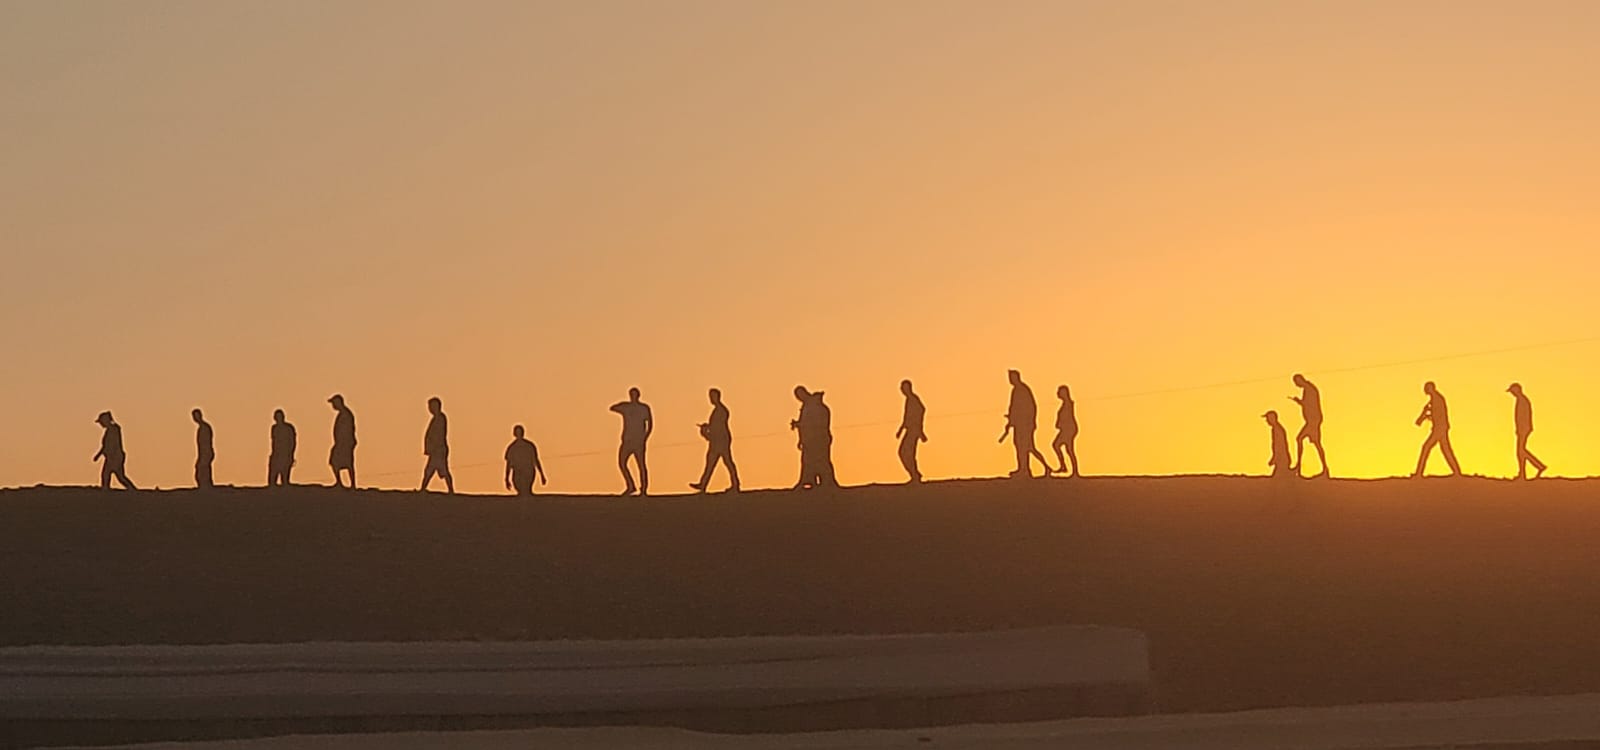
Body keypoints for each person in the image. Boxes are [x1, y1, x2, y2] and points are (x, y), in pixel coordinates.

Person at [999, 370, 1052, 478]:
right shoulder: (1015, 390)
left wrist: (1030, 422)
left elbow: (1030, 408)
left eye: (1011, 377)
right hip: (1018, 425)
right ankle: (1023, 469)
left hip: (1026, 425)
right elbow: (1013, 408)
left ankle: (1044, 467)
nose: (1010, 380)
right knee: (1019, 446)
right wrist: (1010, 421)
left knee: (1028, 447)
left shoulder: (1023, 390)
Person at [691, 388, 740, 493]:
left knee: (726, 462)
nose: (710, 399)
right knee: (712, 463)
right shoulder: (718, 411)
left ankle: (735, 484)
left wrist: (707, 431)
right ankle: (703, 484)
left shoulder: (721, 411)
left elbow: (719, 427)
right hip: (718, 440)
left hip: (721, 441)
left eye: (712, 396)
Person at [791, 386, 837, 489]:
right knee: (808, 460)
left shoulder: (816, 407)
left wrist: (802, 426)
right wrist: (799, 427)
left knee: (821, 460)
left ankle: (826, 482)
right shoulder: (808, 407)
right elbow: (806, 424)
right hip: (810, 440)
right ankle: (810, 480)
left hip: (818, 439)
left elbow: (816, 424)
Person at [1413, 381, 1463, 477]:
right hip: (1440, 428)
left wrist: (1425, 416)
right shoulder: (1435, 399)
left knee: (1426, 447)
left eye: (1426, 388)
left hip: (1439, 428)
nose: (1425, 390)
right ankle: (1457, 472)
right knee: (1446, 450)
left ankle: (1419, 473)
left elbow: (1437, 415)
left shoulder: (1437, 399)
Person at [610, 387, 653, 496]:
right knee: (622, 463)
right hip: (627, 440)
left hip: (638, 441)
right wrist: (625, 405)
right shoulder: (626, 407)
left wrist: (645, 437)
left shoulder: (644, 408)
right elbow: (612, 408)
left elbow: (650, 424)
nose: (633, 396)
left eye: (634, 394)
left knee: (641, 465)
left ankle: (643, 489)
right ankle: (630, 485)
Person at [1290, 374, 1328, 478]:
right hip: (1311, 421)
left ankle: (1324, 468)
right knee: (1308, 441)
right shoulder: (1308, 388)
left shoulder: (1309, 389)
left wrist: (1300, 402)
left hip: (1313, 421)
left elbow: (1310, 405)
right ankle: (1300, 467)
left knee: (1311, 442)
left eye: (1296, 383)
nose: (1296, 385)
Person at [1508, 383, 1547, 480]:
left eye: (1513, 391)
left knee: (1521, 451)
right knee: (1520, 452)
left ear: (1517, 390)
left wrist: (1522, 429)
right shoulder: (1521, 400)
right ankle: (1523, 474)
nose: (1512, 393)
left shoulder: (1522, 401)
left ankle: (1539, 466)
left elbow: (1524, 416)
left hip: (1523, 429)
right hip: (1523, 429)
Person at [92, 411, 136, 490]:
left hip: (115, 457)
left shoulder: (114, 430)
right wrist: (98, 455)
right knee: (111, 476)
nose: (101, 424)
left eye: (101, 421)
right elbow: (105, 446)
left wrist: (112, 457)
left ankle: (132, 490)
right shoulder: (110, 430)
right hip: (111, 457)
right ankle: (131, 490)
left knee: (115, 476)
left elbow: (113, 445)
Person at [420, 397, 454, 494]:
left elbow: (439, 435)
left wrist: (434, 447)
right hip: (436, 450)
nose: (429, 409)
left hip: (439, 450)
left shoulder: (441, 418)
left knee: (440, 470)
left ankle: (450, 490)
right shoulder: (435, 419)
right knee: (430, 471)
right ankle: (423, 489)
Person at [896, 380, 927, 483]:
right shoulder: (909, 400)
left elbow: (921, 411)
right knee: (903, 452)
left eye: (903, 388)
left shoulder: (913, 399)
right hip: (910, 430)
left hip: (914, 431)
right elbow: (906, 418)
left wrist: (920, 430)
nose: (901, 390)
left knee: (907, 453)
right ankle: (915, 474)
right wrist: (901, 429)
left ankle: (915, 475)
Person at [504, 425, 547, 496]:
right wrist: (506, 479)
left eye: (520, 432)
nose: (519, 434)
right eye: (517, 432)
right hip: (518, 472)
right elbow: (508, 464)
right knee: (520, 491)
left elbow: (536, 460)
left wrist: (542, 475)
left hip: (528, 471)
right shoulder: (512, 448)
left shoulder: (529, 446)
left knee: (527, 491)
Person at [328, 394, 358, 489]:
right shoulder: (343, 414)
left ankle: (352, 484)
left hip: (345, 442)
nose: (333, 406)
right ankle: (339, 482)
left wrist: (345, 442)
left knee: (348, 463)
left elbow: (348, 430)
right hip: (341, 443)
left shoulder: (346, 414)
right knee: (335, 461)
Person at [1051, 385, 1079, 477]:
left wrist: (1061, 424)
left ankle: (1071, 469)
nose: (1057, 394)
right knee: (1060, 446)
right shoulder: (1065, 404)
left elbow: (1067, 417)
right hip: (1066, 429)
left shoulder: (1068, 404)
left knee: (1067, 448)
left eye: (1059, 392)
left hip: (1068, 429)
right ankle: (1064, 466)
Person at [268, 409, 297, 487]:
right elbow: (273, 442)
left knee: (285, 479)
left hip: (285, 455)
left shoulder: (289, 428)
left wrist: (291, 455)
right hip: (276, 455)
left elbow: (292, 443)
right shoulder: (274, 428)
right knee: (272, 480)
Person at [1264, 410, 1292, 478]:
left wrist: (1275, 458)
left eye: (1267, 418)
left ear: (1272, 418)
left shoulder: (1277, 430)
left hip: (1282, 460)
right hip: (1282, 459)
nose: (1266, 421)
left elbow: (1279, 446)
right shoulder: (1276, 429)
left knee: (1278, 479)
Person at [192, 408, 215, 489]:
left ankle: (206, 487)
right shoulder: (202, 428)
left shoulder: (205, 428)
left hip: (206, 453)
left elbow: (206, 443)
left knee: (203, 470)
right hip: (203, 454)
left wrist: (205, 454)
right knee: (201, 470)